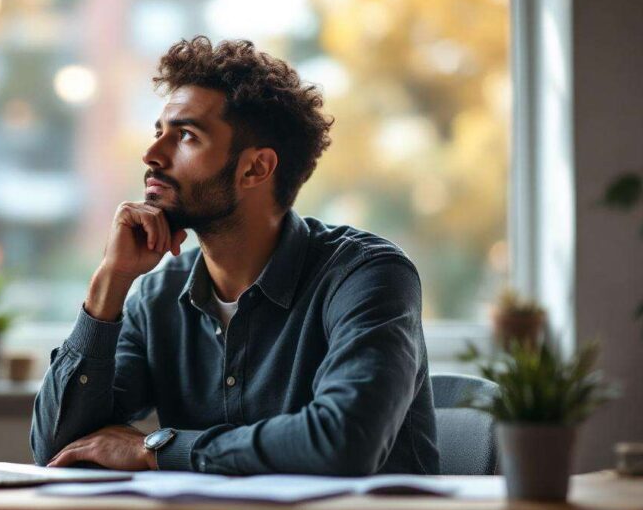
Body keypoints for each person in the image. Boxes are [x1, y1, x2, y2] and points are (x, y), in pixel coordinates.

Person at [30, 36, 439, 476]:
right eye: (158, 133)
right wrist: (110, 282)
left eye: (186, 136)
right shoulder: (158, 297)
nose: (152, 155)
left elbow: (344, 441)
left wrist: (157, 449)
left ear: (255, 168)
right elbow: (58, 447)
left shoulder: (367, 276)